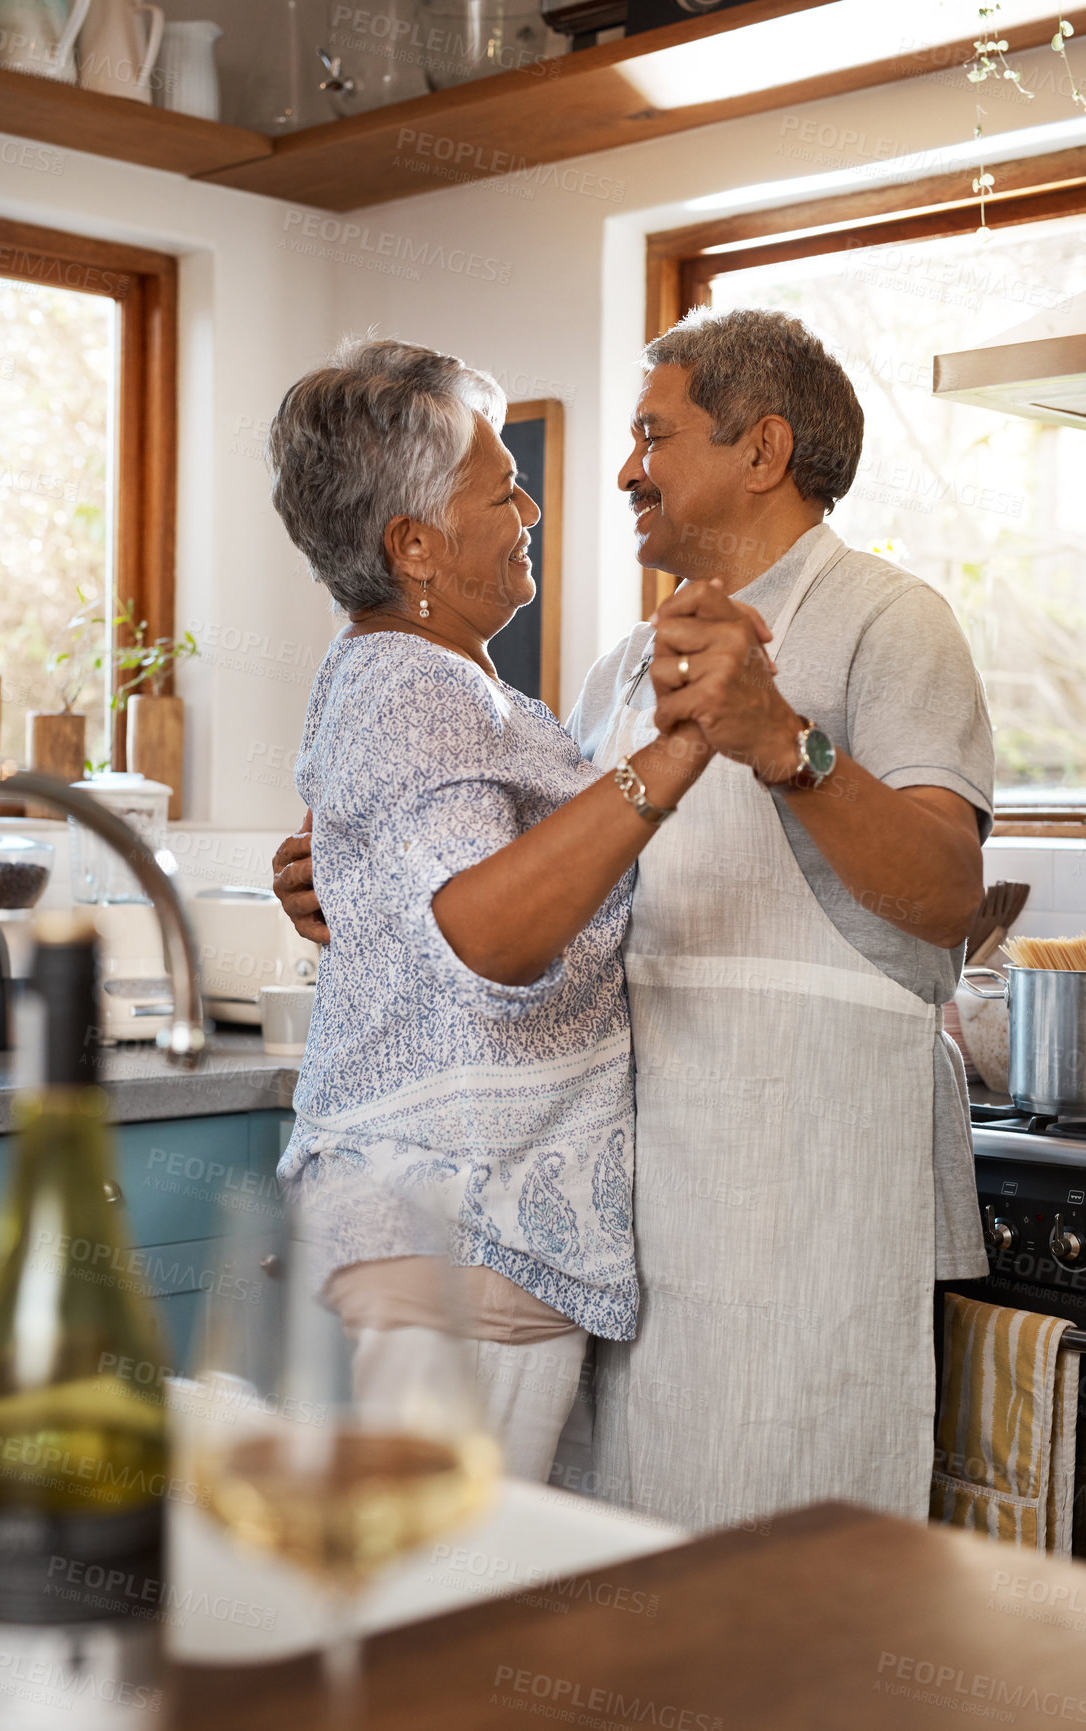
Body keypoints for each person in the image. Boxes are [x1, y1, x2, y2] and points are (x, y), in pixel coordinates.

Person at [275, 310, 992, 1532]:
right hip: (622, 1236)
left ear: (763, 450)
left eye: (653, 433)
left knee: (777, 1578)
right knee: (596, 1579)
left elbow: (947, 895)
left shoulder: (891, 619)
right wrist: (370, 894)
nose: (618, 471)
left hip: (794, 1212)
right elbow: (519, 904)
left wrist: (785, 744)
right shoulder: (616, 671)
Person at [264, 336, 716, 1483]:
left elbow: (431, 894)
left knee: (410, 1611)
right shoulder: (418, 686)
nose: (529, 505)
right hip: (462, 1236)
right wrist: (678, 754)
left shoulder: (416, 677)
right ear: (413, 545)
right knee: (432, 1623)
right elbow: (488, 935)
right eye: (497, 486)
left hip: (433, 1239)